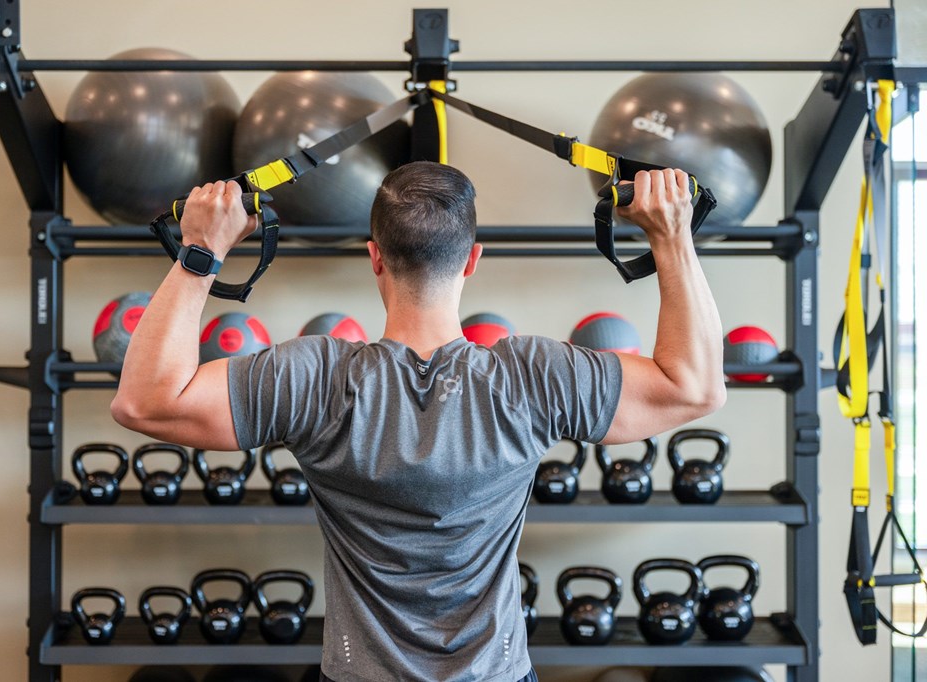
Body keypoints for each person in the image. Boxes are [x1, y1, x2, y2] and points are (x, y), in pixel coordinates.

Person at [112, 161, 725, 682]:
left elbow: (143, 401)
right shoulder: (531, 377)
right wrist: (671, 240)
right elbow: (695, 387)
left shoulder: (316, 380)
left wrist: (202, 252)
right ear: (472, 261)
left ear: (374, 258)